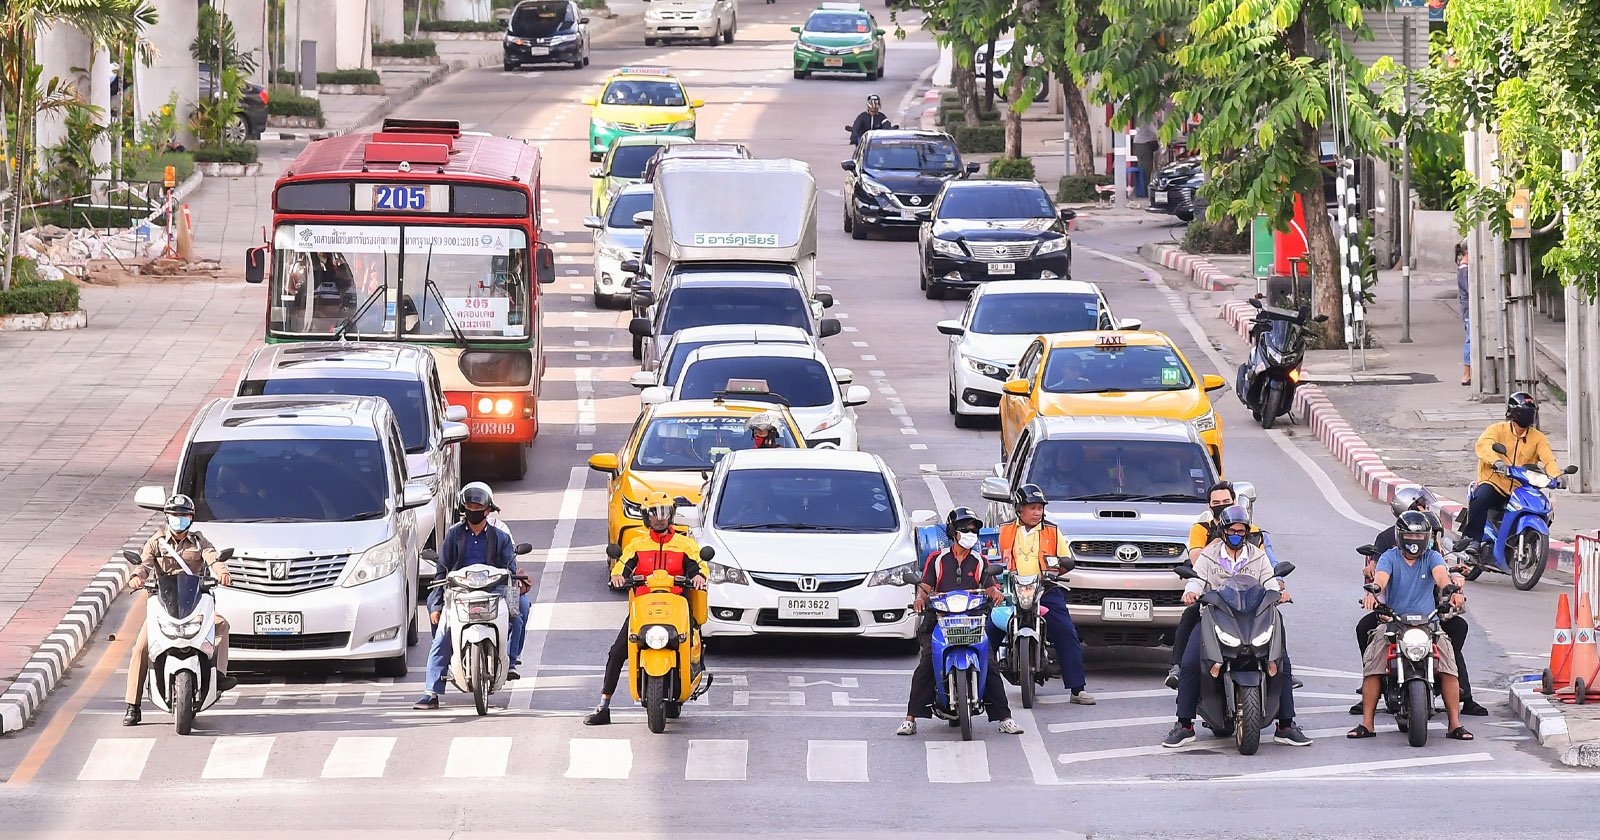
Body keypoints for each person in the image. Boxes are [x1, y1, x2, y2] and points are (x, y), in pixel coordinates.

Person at [1163, 505, 1311, 748]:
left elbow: (1270, 581)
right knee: (1191, 663)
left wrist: (1280, 593)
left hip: (1254, 618)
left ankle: (1286, 725)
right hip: (1216, 616)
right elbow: (1195, 580)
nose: (1237, 535)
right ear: (1222, 531)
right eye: (1232, 531)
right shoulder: (1209, 555)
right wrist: (1191, 593)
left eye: (1241, 531)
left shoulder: (1257, 556)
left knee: (1280, 662)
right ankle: (1184, 724)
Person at [897, 507, 1024, 736]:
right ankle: (910, 718)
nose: (970, 533)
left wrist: (996, 594)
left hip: (971, 622)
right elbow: (925, 586)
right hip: (939, 620)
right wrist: (920, 599)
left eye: (974, 530)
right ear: (953, 532)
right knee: (927, 662)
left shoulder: (979, 560)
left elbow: (990, 586)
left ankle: (1004, 718)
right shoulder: (937, 560)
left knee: (989, 662)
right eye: (965, 529)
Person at [1350, 511, 1474, 742]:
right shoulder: (1389, 557)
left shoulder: (1432, 557)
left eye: (1419, 537)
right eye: (1409, 536)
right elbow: (1381, 578)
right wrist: (1374, 592)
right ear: (1400, 536)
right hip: (1394, 622)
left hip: (1429, 623)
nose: (1414, 541)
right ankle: (1367, 723)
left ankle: (1454, 723)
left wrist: (1451, 591)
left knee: (1449, 667)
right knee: (1374, 666)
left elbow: (1442, 577)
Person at [585, 492, 707, 725]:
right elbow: (622, 566)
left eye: (664, 512)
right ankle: (604, 705)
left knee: (691, 641)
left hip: (676, 606)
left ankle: (692, 673)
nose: (660, 518)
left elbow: (697, 567)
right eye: (654, 513)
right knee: (617, 652)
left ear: (671, 514)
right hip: (644, 608)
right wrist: (619, 576)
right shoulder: (636, 545)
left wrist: (699, 577)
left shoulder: (685, 545)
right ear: (646, 516)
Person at [123, 494, 236, 726]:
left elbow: (213, 557)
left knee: (222, 625)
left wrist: (222, 572)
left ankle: (219, 675)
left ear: (191, 518)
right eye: (175, 515)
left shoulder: (198, 541)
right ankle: (133, 706)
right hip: (163, 604)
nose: (179, 520)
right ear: (167, 517)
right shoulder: (156, 542)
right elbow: (144, 565)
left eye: (184, 516)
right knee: (141, 647)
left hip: (193, 602)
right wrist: (136, 578)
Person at [413, 484, 528, 709]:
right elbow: (442, 571)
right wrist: (437, 605)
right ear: (463, 510)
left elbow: (510, 569)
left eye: (478, 506)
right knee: (442, 632)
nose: (474, 510)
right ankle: (431, 691)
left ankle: (510, 661)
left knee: (517, 615)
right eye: (469, 506)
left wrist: (516, 585)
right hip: (457, 592)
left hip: (494, 590)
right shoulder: (454, 535)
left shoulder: (501, 537)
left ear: (487, 510)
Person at [988, 485, 1095, 704]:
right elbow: (991, 560)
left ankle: (1077, 688)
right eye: (1032, 508)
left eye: (1040, 508)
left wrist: (1052, 576)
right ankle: (981, 684)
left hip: (1044, 589)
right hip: (1011, 591)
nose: (1037, 512)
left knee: (1065, 630)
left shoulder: (1052, 531)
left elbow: (1066, 561)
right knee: (990, 631)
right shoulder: (1004, 530)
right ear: (1019, 509)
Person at [1453, 392, 1561, 557]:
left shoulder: (1537, 438)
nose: (1529, 416)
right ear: (1514, 413)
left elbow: (1548, 460)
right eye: (1525, 412)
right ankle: (1472, 538)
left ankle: (1528, 539)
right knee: (1481, 497)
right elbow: (1483, 446)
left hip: (1519, 487)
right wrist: (1496, 462)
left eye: (1531, 412)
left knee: (1544, 506)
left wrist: (1557, 476)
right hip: (1494, 483)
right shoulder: (1497, 430)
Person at [1457, 243, 1471, 386]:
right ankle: (1466, 374)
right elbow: (1470, 290)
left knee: (1471, 338)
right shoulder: (1465, 269)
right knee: (1471, 339)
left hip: (1467, 308)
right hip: (1469, 308)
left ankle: (1469, 373)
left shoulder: (1464, 267)